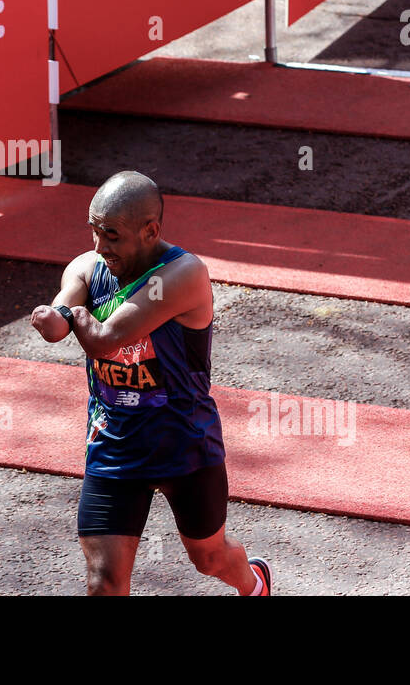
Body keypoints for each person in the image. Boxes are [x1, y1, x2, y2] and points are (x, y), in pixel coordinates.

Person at [29, 170, 271, 596]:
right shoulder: (89, 267)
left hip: (185, 447)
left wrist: (75, 315)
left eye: (112, 236)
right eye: (94, 232)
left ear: (150, 231)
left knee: (209, 557)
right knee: (103, 583)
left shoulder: (183, 274)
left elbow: (105, 340)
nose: (100, 247)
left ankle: (253, 583)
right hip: (114, 448)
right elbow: (56, 325)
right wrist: (52, 317)